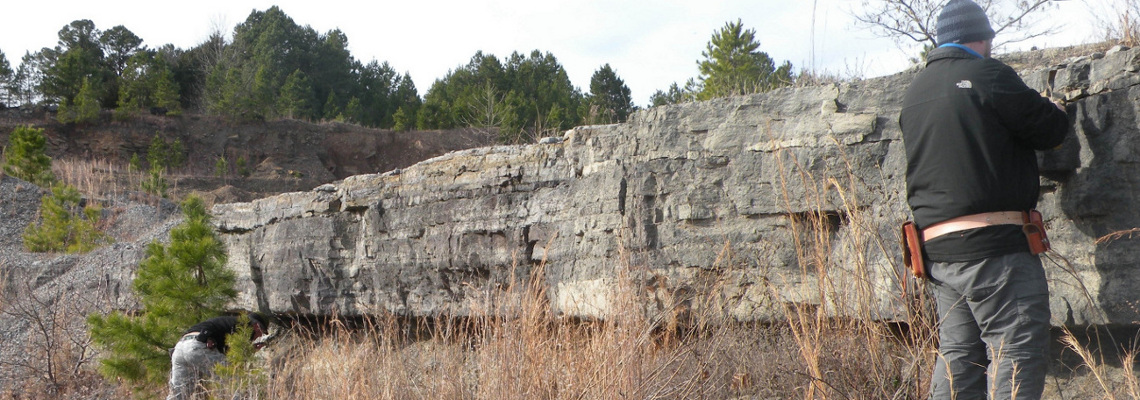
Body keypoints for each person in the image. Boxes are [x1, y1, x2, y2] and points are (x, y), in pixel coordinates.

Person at [899, 0, 1069, 398]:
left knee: (959, 355)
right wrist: (1057, 108)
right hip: (994, 249)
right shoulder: (988, 73)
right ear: (983, 37)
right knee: (1017, 349)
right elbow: (1049, 129)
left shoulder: (914, 92)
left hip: (936, 252)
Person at [167, 313, 269, 400]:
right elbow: (231, 357)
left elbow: (227, 354)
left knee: (180, 393)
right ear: (256, 326)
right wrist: (206, 337)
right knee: (236, 380)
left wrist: (249, 349)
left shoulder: (227, 324)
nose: (260, 336)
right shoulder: (241, 325)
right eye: (261, 332)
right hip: (197, 346)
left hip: (179, 348)